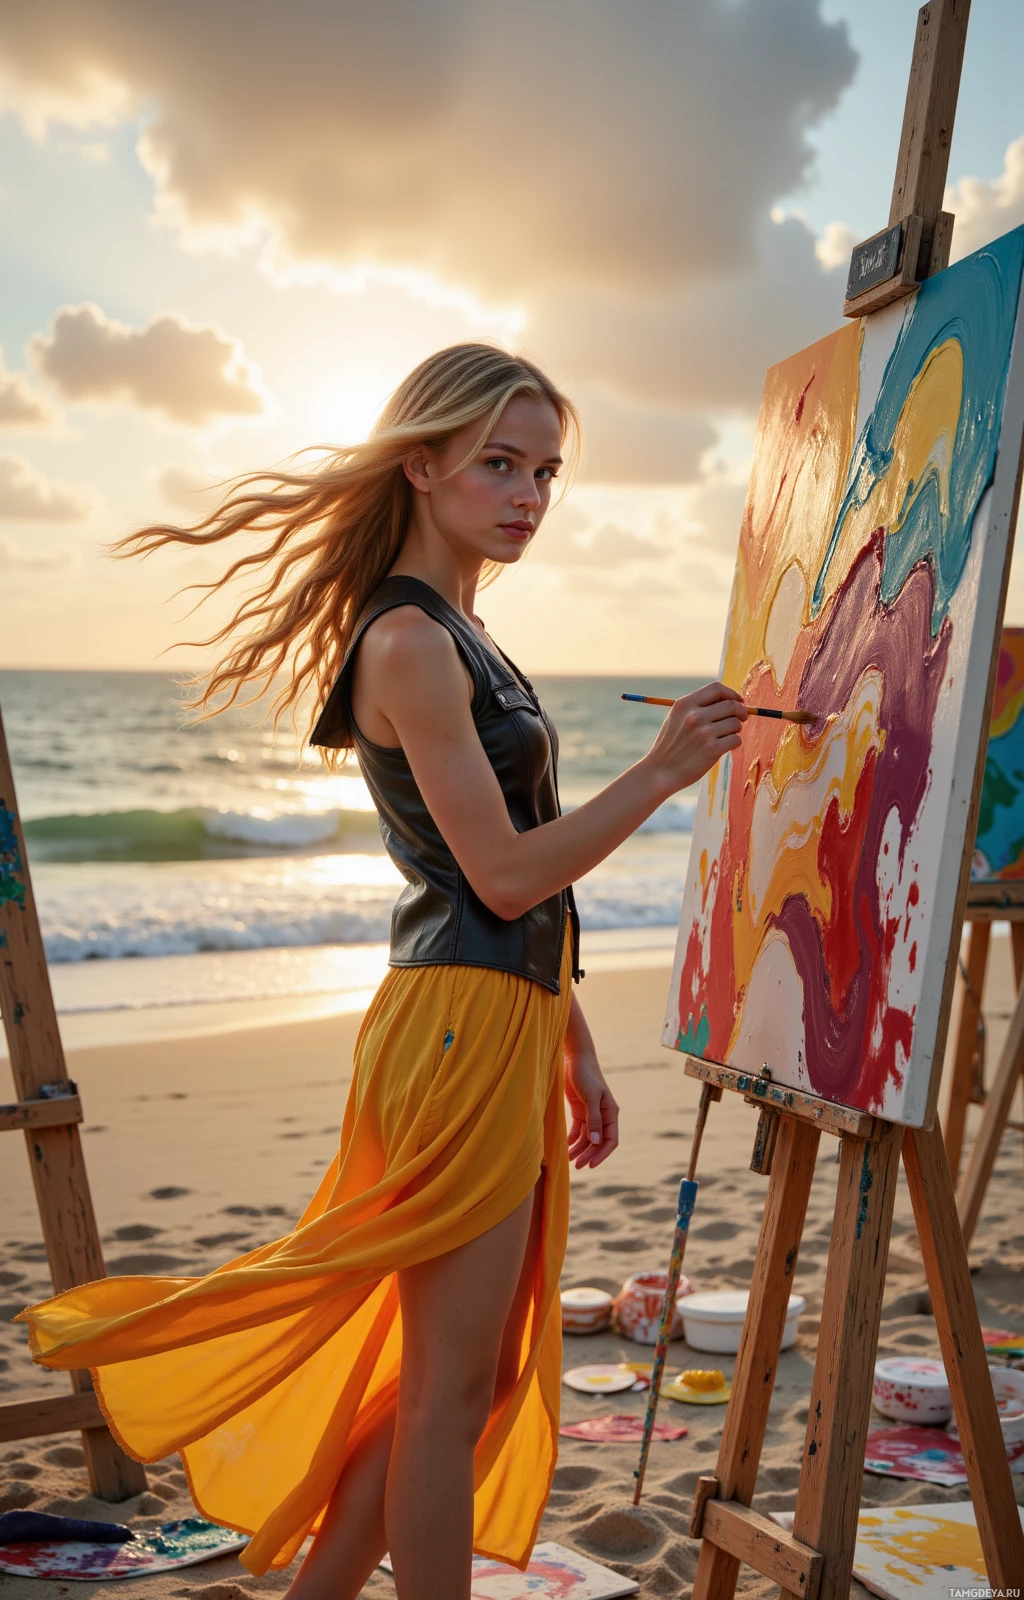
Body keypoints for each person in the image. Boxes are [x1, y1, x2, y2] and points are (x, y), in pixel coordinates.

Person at [19, 343, 745, 1600]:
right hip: (454, 1028)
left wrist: (569, 1043)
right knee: (451, 1386)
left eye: (546, 471)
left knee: (444, 1378)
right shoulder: (409, 643)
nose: (527, 493)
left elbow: (512, 887)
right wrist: (666, 773)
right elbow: (504, 874)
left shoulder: (466, 630)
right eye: (500, 464)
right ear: (423, 465)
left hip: (501, 1019)